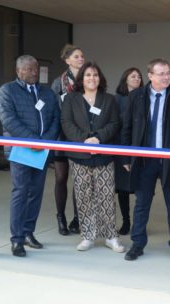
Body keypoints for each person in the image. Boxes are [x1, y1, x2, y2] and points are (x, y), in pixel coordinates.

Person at [121, 58, 170, 263]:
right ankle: (137, 244)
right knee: (142, 204)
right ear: (150, 76)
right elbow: (126, 128)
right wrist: (126, 156)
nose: (166, 77)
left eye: (168, 73)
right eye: (161, 73)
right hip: (145, 160)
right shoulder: (136, 96)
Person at [0, 55, 60, 257]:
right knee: (21, 192)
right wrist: (32, 140)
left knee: (36, 193)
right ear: (18, 71)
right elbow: (8, 119)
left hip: (41, 150)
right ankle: (16, 239)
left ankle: (28, 232)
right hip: (21, 149)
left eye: (35, 69)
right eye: (28, 69)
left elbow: (56, 119)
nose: (34, 73)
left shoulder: (47, 93)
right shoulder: (8, 90)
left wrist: (44, 141)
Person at [60, 61, 124, 253]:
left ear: (100, 78)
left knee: (106, 196)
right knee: (83, 196)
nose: (91, 78)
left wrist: (99, 138)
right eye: (88, 75)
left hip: (103, 155)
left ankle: (110, 236)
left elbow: (115, 123)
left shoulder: (109, 99)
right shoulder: (71, 99)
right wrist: (85, 140)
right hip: (79, 155)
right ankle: (88, 235)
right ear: (82, 79)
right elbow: (66, 122)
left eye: (95, 75)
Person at [51, 44, 84, 236]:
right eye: (77, 56)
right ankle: (61, 217)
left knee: (78, 178)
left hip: (80, 135)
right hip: (62, 136)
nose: (81, 59)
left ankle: (77, 219)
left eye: (82, 56)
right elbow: (54, 110)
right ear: (67, 60)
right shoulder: (59, 82)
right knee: (61, 177)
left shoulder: (87, 79)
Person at [114, 67, 144, 235]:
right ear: (125, 79)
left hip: (141, 149)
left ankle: (139, 223)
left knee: (141, 188)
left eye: (139, 76)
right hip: (123, 148)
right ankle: (126, 221)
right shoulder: (118, 99)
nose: (137, 78)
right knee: (123, 189)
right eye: (133, 76)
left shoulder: (145, 97)